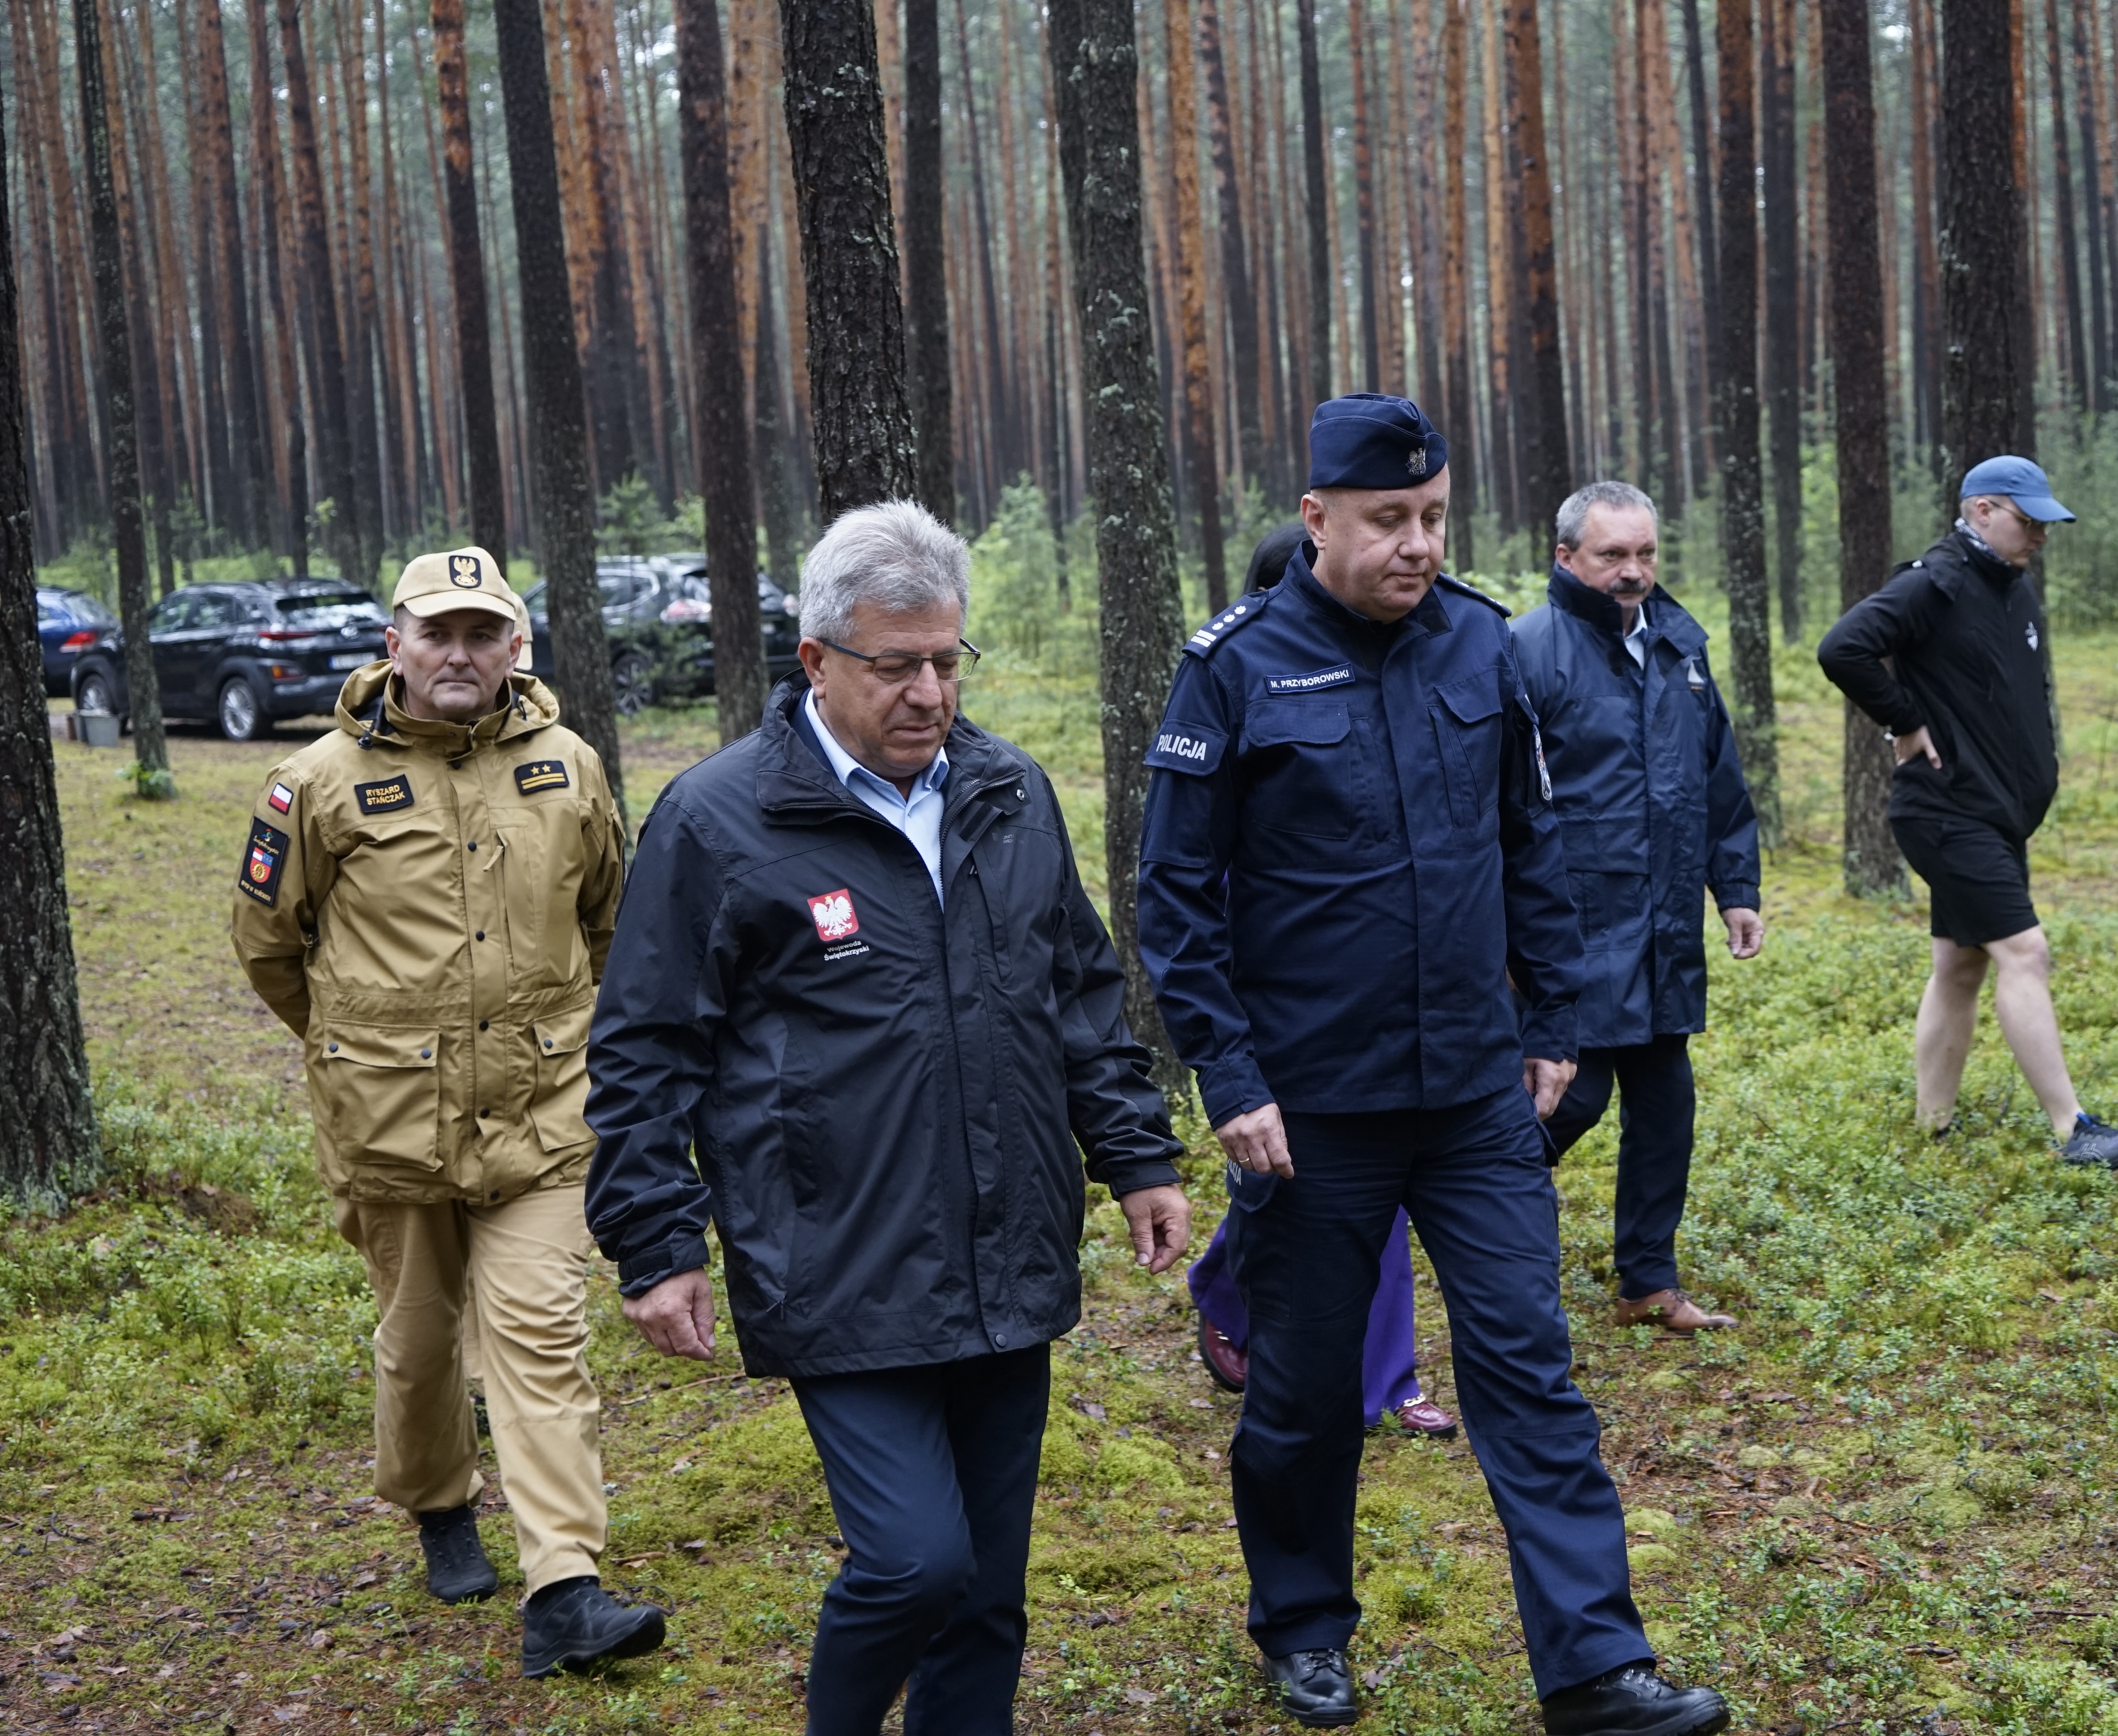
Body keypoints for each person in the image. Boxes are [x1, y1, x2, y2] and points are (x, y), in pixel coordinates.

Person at [1139, 394, 1728, 1736]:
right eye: (1389, 522)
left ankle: (1594, 1667)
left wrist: (1555, 1025)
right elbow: (1172, 897)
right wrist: (1228, 1079)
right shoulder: (1234, 666)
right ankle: (1303, 1625)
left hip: (1472, 1095)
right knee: (1301, 1391)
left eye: (1433, 519)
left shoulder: (1479, 641)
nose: (1415, 545)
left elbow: (1535, 843)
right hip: (1314, 1110)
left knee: (1531, 1367)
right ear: (1317, 520)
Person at [584, 501, 1192, 1736]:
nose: (929, 692)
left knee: (990, 1593)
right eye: (896, 665)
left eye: (948, 662)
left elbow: (1076, 987)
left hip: (1006, 1242)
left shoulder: (1010, 792)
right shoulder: (719, 819)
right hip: (838, 1254)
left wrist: (1134, 1153)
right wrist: (655, 1243)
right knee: (918, 1561)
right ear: (817, 661)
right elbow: (647, 1044)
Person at [230, 547, 657, 1676]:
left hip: (546, 1114)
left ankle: (564, 1585)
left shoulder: (569, 767)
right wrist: (359, 1051)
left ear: (518, 648)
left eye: (484, 633)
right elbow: (272, 949)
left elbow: (613, 923)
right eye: (439, 633)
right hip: (392, 1127)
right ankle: (437, 1501)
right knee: (421, 1343)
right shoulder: (318, 784)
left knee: (540, 1339)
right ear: (395, 647)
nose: (460, 655)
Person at [1184, 522, 1458, 1440]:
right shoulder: (1231, 679)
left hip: (1384, 1009)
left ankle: (1385, 1377)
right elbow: (1189, 883)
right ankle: (1237, 1291)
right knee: (1289, 1185)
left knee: (1368, 1205)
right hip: (1276, 1000)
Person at [1816, 457, 2118, 1168]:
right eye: (2026, 521)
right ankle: (2074, 1130)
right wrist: (1903, 720)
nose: (2038, 536)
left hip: (1994, 812)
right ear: (1981, 512)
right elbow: (1843, 648)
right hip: (1946, 809)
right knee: (2024, 952)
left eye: (2044, 524)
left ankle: (1931, 1125)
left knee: (1959, 964)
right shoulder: (1933, 582)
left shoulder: (2011, 589)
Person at [1513, 481, 1763, 1338]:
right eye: (1613, 554)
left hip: (1660, 928)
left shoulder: (1678, 649)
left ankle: (1648, 1280)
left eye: (1646, 553)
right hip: (1570, 930)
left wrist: (1735, 889)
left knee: (1666, 1104)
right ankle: (1475, 1227)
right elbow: (1496, 812)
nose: (1633, 571)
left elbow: (1718, 781)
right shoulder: (1526, 652)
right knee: (1566, 1101)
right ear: (1566, 557)